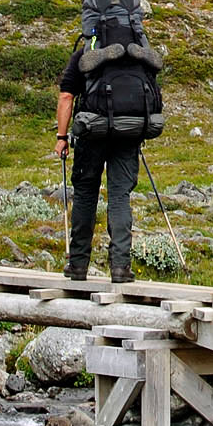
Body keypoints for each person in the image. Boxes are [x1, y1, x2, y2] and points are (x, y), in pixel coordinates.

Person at [54, 48, 140, 282]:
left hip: (91, 131)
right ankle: (121, 267)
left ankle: (78, 264)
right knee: (120, 196)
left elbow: (66, 96)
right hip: (128, 131)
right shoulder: (136, 53)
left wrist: (62, 137)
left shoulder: (85, 53)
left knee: (85, 194)